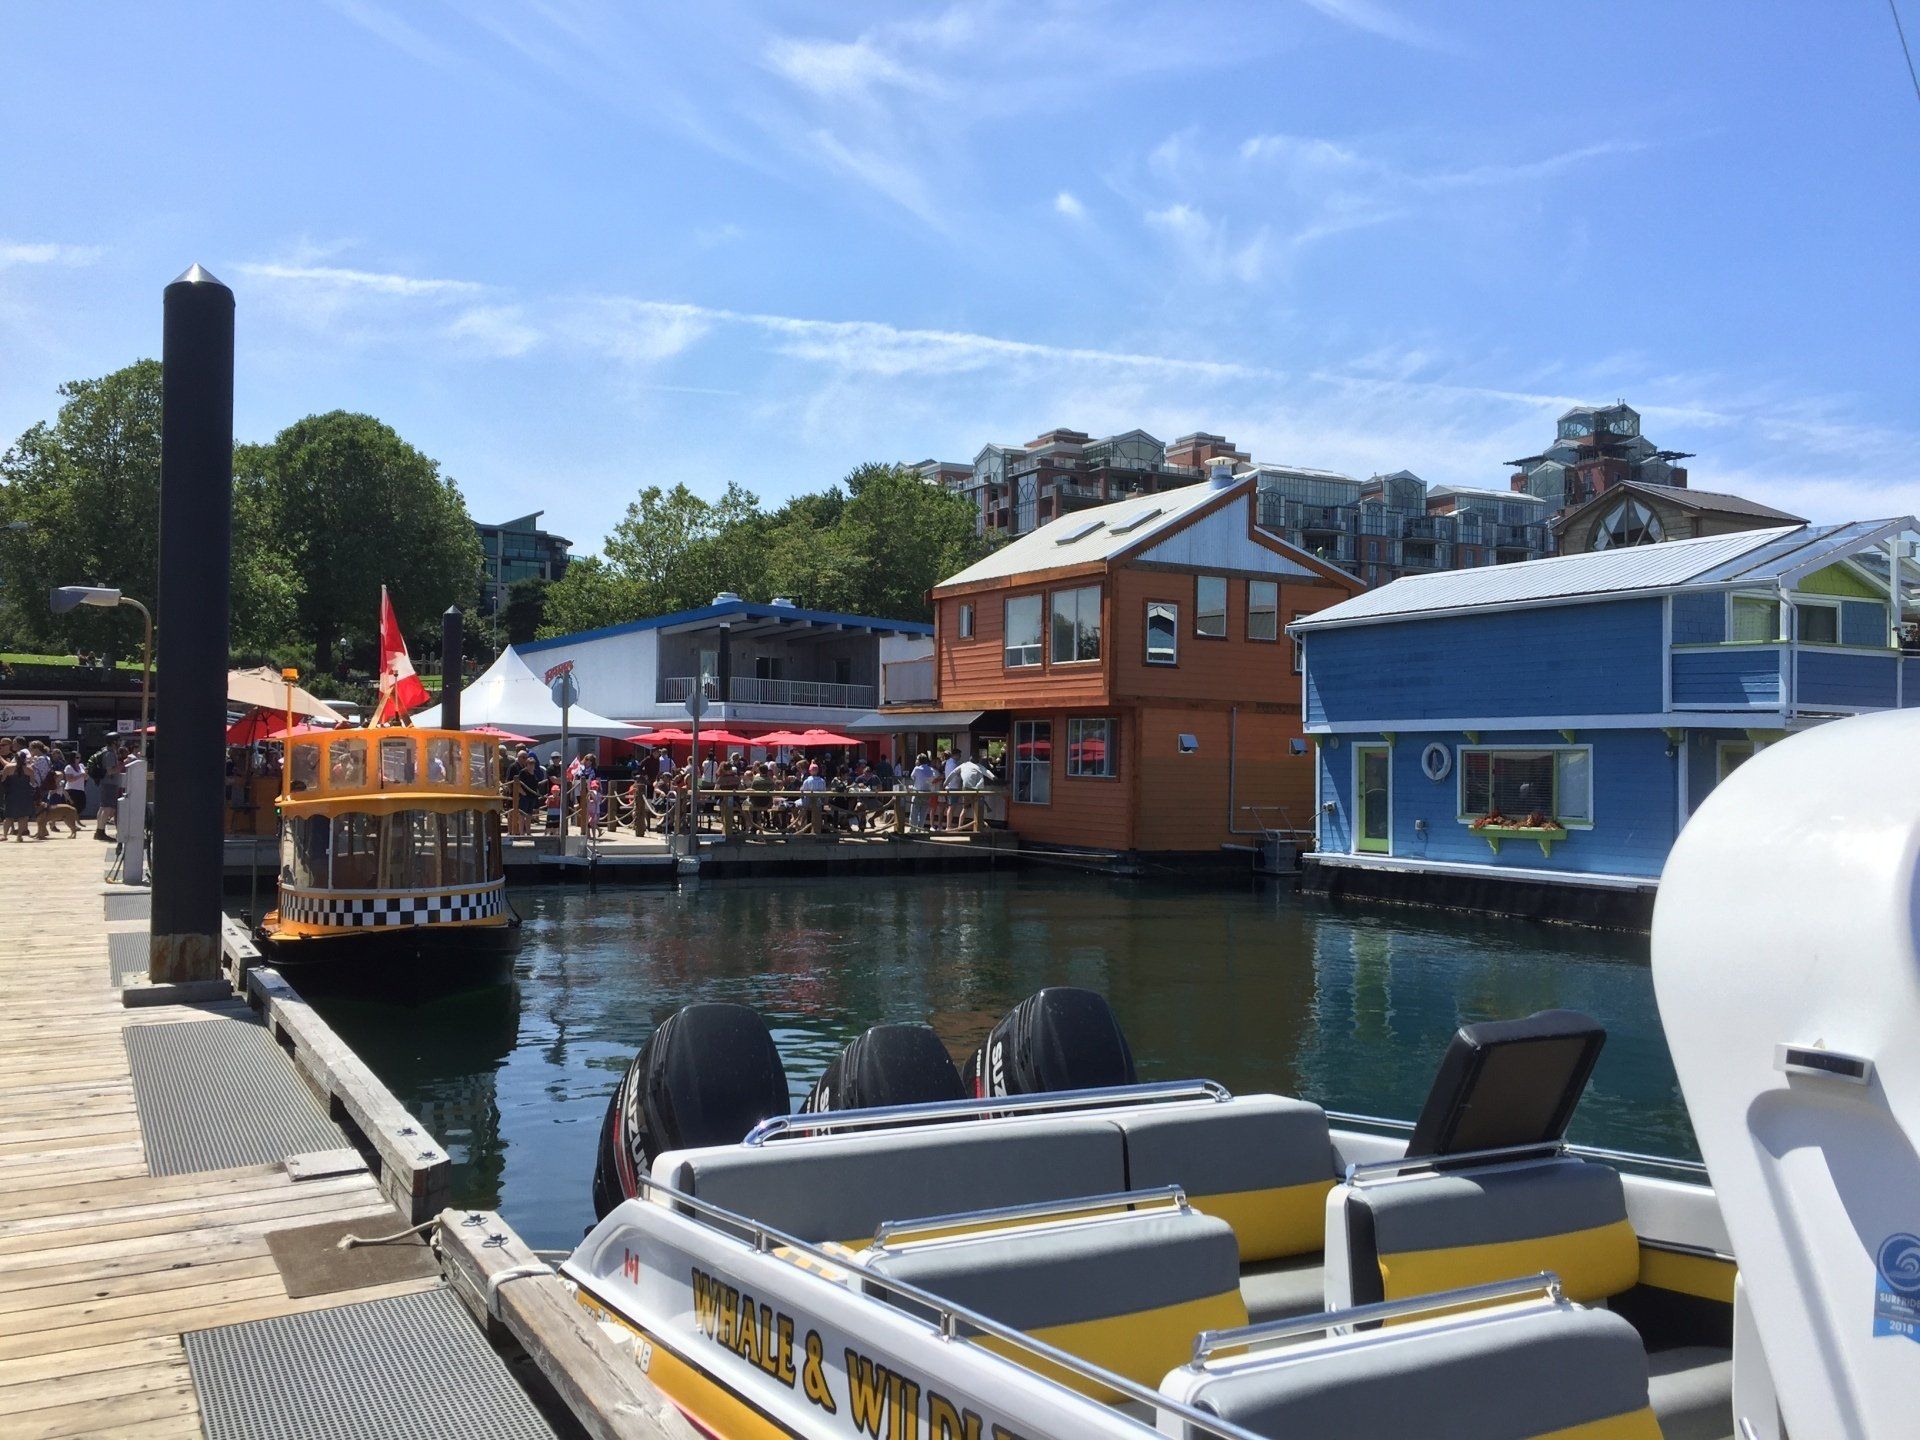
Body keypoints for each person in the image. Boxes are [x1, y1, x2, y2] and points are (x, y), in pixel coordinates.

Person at [2, 750, 37, 841]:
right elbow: (33, 783)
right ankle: (19, 836)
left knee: (9, 816)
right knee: (23, 816)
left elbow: (3, 780)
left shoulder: (8, 767)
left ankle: (4, 835)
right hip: (25, 795)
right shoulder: (29, 769)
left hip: (11, 794)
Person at [908, 751, 938, 831]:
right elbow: (931, 780)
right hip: (927, 793)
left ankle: (913, 829)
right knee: (923, 813)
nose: (916, 761)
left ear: (919, 760)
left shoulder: (917, 769)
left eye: (917, 759)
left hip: (918, 792)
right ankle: (920, 829)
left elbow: (912, 777)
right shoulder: (931, 769)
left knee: (914, 813)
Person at [61, 750, 86, 815]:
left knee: (82, 806)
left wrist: (85, 775)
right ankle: (71, 822)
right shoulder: (69, 767)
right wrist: (80, 775)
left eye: (80, 757)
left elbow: (85, 778)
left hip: (81, 789)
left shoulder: (81, 766)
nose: (79, 759)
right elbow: (69, 779)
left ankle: (74, 820)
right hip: (71, 790)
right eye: (77, 758)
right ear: (73, 758)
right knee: (72, 807)